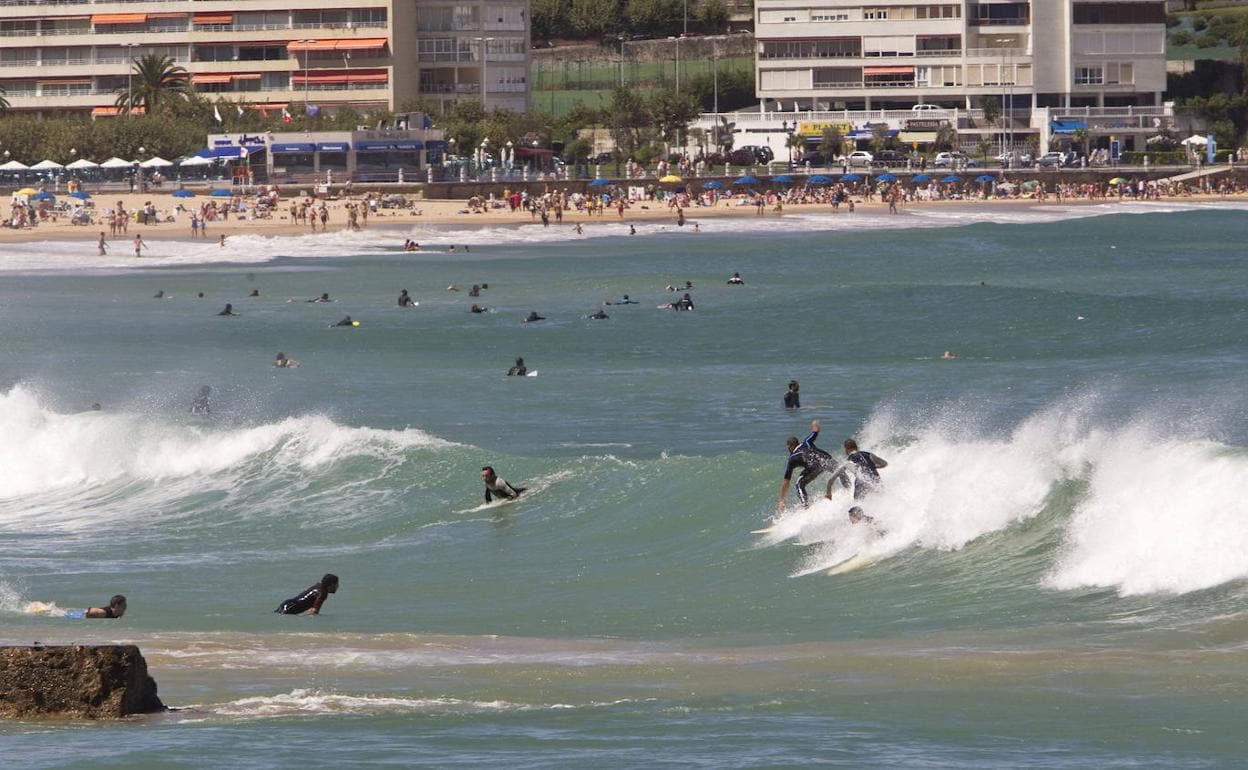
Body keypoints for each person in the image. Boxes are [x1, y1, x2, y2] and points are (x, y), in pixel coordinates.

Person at [778, 419, 837, 510]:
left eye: (788, 447)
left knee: (799, 483)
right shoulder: (807, 441)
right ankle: (849, 485)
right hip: (826, 460)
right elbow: (816, 430)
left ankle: (806, 507)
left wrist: (782, 500)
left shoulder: (792, 458)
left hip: (814, 467)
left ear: (790, 446)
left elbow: (786, 481)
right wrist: (814, 423)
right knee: (839, 470)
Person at [274, 573, 338, 616]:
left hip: (287, 604)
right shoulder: (323, 593)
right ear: (332, 584)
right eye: (337, 584)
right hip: (291, 607)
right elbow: (313, 612)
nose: (337, 586)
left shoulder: (318, 586)